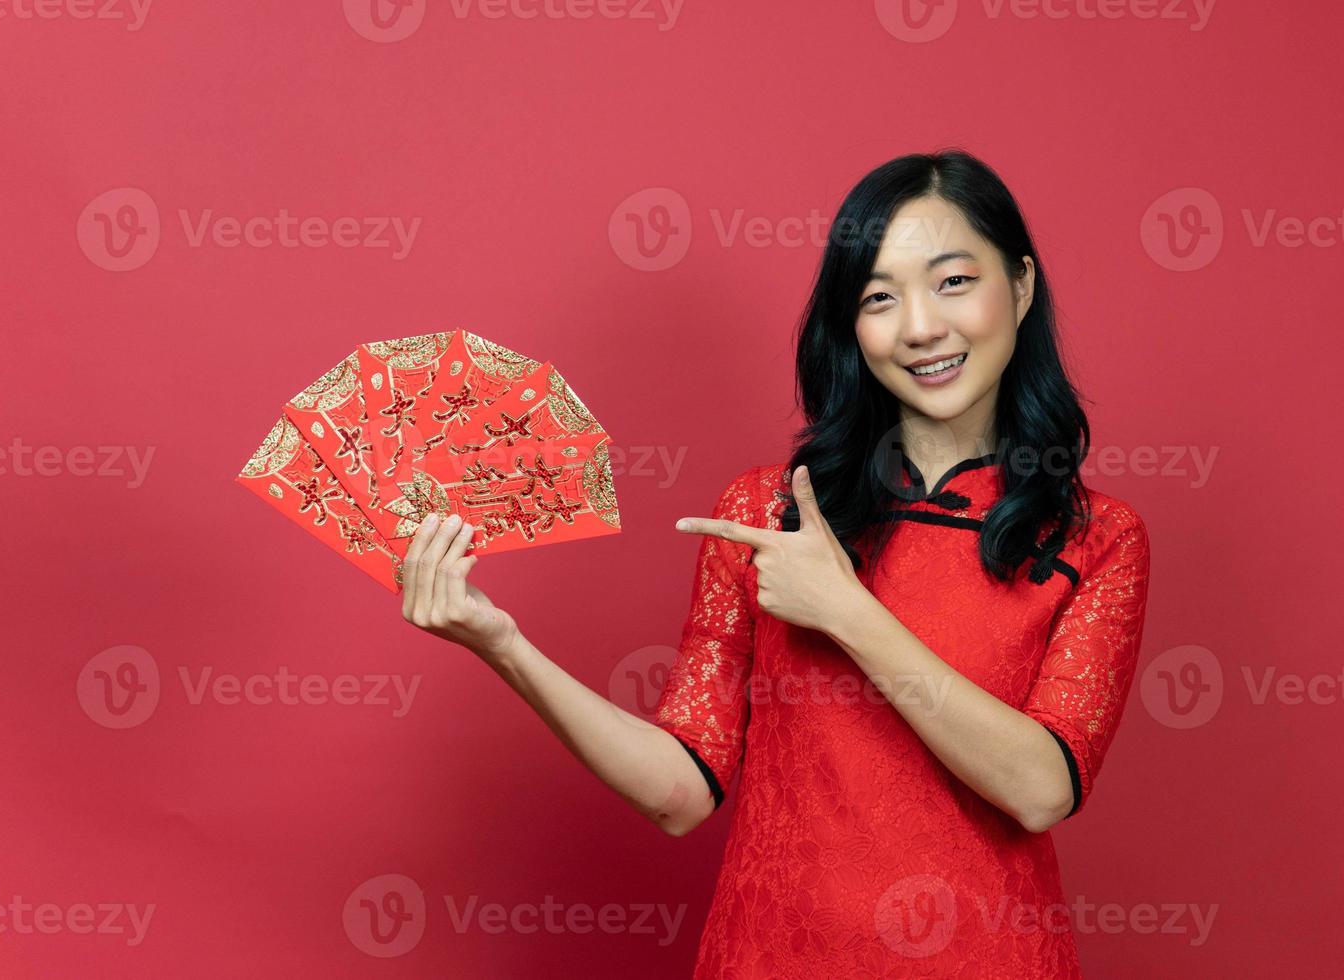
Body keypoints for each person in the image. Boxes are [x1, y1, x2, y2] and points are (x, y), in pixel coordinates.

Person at [397, 149, 1152, 978]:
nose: (920, 328)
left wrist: (846, 611)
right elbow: (679, 792)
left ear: (1021, 284)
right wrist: (501, 642)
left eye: (952, 282)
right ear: (850, 326)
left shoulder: (1096, 538)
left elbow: (1042, 787)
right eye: (878, 297)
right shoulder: (767, 515)